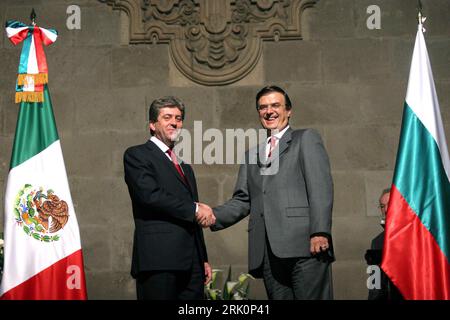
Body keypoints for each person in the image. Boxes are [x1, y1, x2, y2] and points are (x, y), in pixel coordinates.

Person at [210, 85, 335, 300]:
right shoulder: (251, 155)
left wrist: (320, 232)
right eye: (263, 107)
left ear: (289, 110)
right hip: (267, 252)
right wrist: (212, 215)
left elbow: (321, 187)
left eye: (275, 105)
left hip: (305, 246)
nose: (269, 111)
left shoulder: (306, 139)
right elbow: (242, 200)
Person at [123, 96, 215, 300]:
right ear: (152, 124)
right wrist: (195, 209)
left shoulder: (185, 167)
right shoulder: (137, 155)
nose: (174, 122)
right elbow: (150, 195)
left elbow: (194, 216)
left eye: (179, 118)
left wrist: (203, 258)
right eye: (167, 117)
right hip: (159, 260)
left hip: (192, 264)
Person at [365, 188, 403, 300]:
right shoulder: (377, 242)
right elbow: (374, 284)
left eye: (390, 203)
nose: (386, 209)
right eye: (382, 206)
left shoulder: (418, 237)